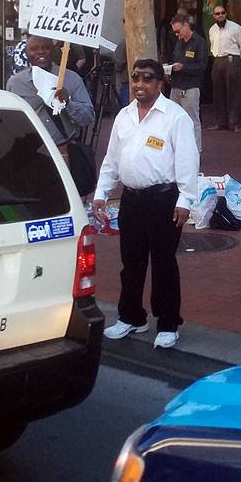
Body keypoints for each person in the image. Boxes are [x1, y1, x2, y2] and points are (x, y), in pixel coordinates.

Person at [94, 59, 199, 349]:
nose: (140, 84)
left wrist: (185, 200)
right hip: (131, 198)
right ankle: (131, 317)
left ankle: (167, 323)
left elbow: (188, 161)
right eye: (136, 77)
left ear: (160, 83)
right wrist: (102, 191)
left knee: (164, 263)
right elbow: (112, 159)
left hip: (163, 199)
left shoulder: (175, 117)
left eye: (147, 78)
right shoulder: (124, 116)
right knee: (131, 262)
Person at [6, 36, 95, 147]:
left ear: (53, 51)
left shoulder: (71, 78)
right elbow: (9, 122)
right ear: (27, 53)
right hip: (28, 150)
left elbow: (88, 118)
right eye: (34, 49)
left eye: (46, 48)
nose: (41, 52)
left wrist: (68, 103)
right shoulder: (16, 83)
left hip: (62, 149)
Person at [169, 13, 208, 153]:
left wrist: (183, 67)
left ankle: (196, 150)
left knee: (192, 120)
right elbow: (175, 58)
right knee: (173, 120)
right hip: (176, 86)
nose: (177, 34)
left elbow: (202, 66)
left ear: (186, 25)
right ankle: (177, 149)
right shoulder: (179, 43)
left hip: (190, 87)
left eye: (178, 31)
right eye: (175, 32)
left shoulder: (199, 42)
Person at [207, 5, 241, 132]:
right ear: (213, 16)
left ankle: (236, 123)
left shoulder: (235, 28)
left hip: (232, 59)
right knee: (218, 92)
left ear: (226, 14)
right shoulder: (212, 30)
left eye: (222, 13)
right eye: (217, 13)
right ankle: (221, 122)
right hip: (218, 60)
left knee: (233, 92)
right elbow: (212, 45)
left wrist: (237, 58)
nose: (220, 15)